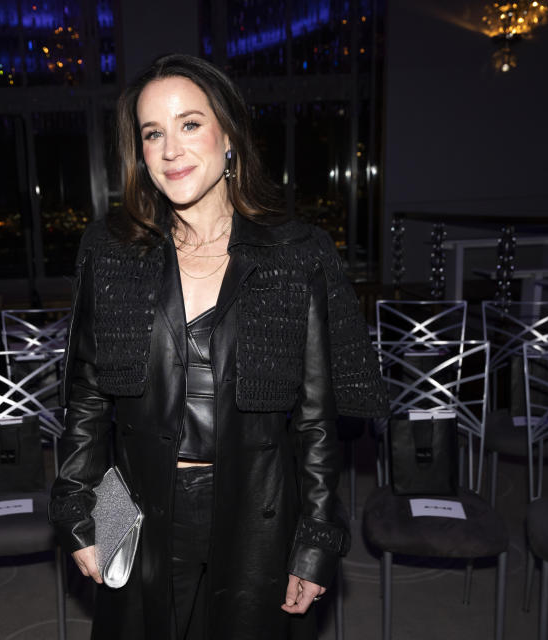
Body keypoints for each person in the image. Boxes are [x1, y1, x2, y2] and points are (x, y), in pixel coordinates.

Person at [49, 53, 387, 640]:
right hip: (134, 502)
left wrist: (314, 540)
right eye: (153, 133)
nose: (171, 149)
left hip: (258, 508)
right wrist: (81, 510)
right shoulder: (111, 251)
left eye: (190, 124)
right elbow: (86, 397)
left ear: (228, 135)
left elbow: (315, 421)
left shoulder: (293, 253)